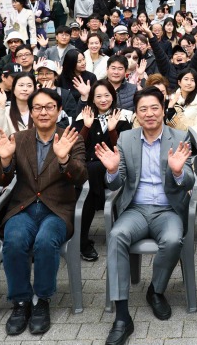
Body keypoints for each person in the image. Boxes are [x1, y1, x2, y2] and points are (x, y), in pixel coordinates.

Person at [95, 87, 194, 345]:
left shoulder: (180, 136)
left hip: (167, 209)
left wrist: (178, 172)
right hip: (136, 209)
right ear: (137, 114)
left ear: (163, 110)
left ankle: (156, 290)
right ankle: (122, 315)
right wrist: (113, 171)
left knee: (173, 240)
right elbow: (115, 185)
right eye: (143, 109)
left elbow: (191, 180)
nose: (149, 114)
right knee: (116, 235)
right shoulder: (126, 139)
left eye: (154, 108)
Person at [0, 88, 88, 336]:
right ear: (31, 112)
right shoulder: (20, 138)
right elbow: (2, 181)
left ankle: (41, 300)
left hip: (56, 209)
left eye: (49, 107)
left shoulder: (71, 137)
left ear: (59, 110)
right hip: (22, 207)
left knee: (46, 242)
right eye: (38, 108)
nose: (43, 112)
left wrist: (65, 160)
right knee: (14, 240)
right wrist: (4, 162)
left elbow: (81, 176)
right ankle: (21, 301)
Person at [73, 80, 133, 261]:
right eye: (98, 96)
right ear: (92, 98)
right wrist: (87, 126)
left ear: (113, 97)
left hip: (114, 170)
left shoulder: (122, 116)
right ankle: (82, 240)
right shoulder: (84, 116)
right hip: (88, 171)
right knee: (92, 170)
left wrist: (113, 130)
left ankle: (81, 242)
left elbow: (123, 150)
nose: (103, 99)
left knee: (93, 173)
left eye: (107, 95)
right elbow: (76, 147)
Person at [166, 68, 197, 134]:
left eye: (192, 80)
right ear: (179, 82)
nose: (189, 83)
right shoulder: (170, 99)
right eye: (186, 79)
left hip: (189, 139)